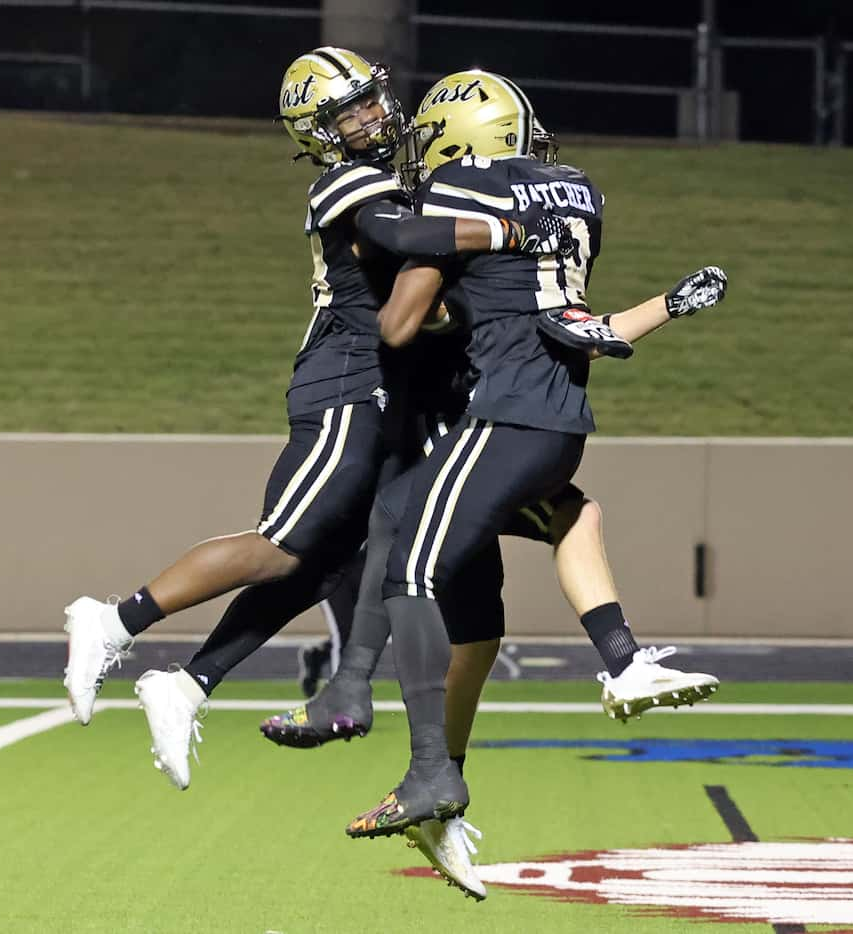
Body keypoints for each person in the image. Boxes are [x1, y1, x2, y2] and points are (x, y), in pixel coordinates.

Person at [61, 48, 561, 774]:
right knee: (282, 545)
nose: (371, 116)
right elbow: (399, 239)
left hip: (397, 388)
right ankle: (112, 620)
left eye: (370, 100)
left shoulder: (402, 178)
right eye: (347, 111)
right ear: (317, 134)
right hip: (346, 379)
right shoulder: (347, 181)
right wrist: (507, 230)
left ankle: (189, 683)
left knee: (320, 567)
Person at [260, 69, 726, 842]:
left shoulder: (459, 195)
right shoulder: (574, 196)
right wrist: (670, 306)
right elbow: (584, 328)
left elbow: (401, 322)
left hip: (481, 421)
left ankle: (415, 759)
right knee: (540, 545)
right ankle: (617, 660)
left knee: (402, 557)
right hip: (555, 418)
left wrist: (432, 302)